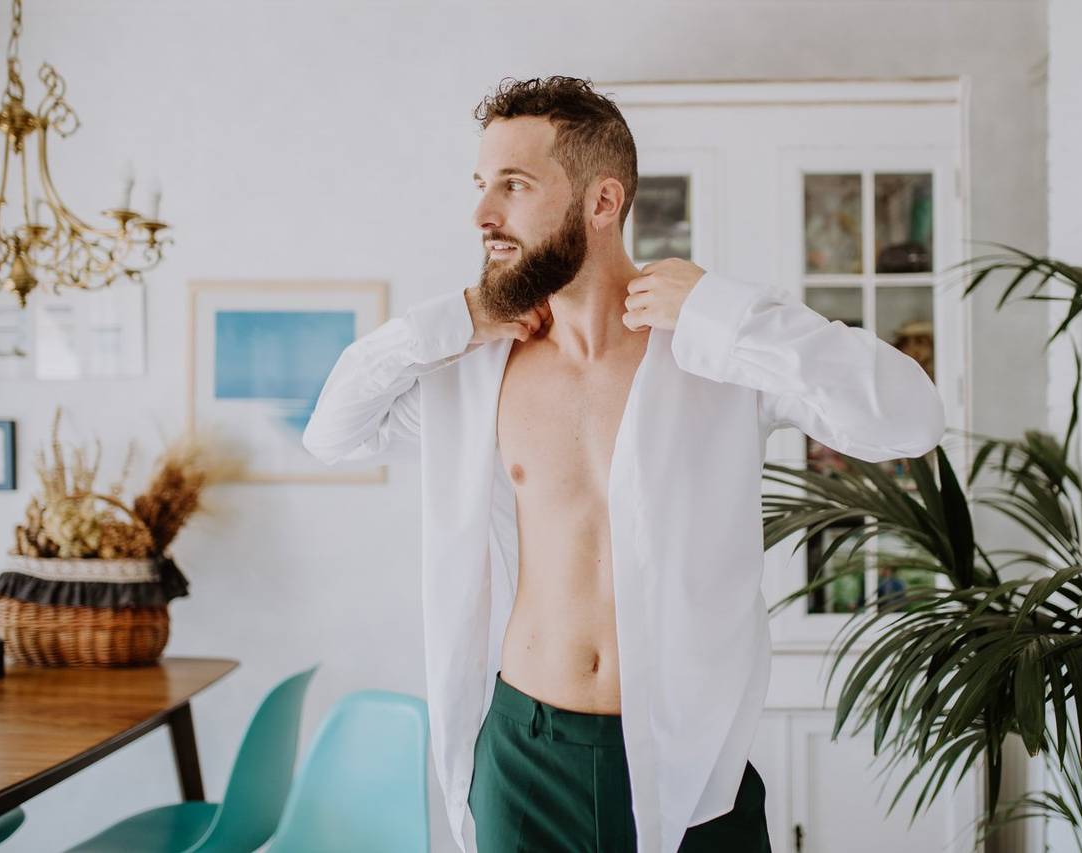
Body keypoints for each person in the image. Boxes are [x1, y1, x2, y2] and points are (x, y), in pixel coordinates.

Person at [302, 75, 946, 853]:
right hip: (525, 750)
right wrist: (455, 318)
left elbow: (909, 419)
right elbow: (331, 432)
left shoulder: (714, 348)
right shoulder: (475, 367)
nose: (483, 215)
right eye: (481, 185)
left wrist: (723, 311)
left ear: (601, 204)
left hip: (689, 757)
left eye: (514, 184)